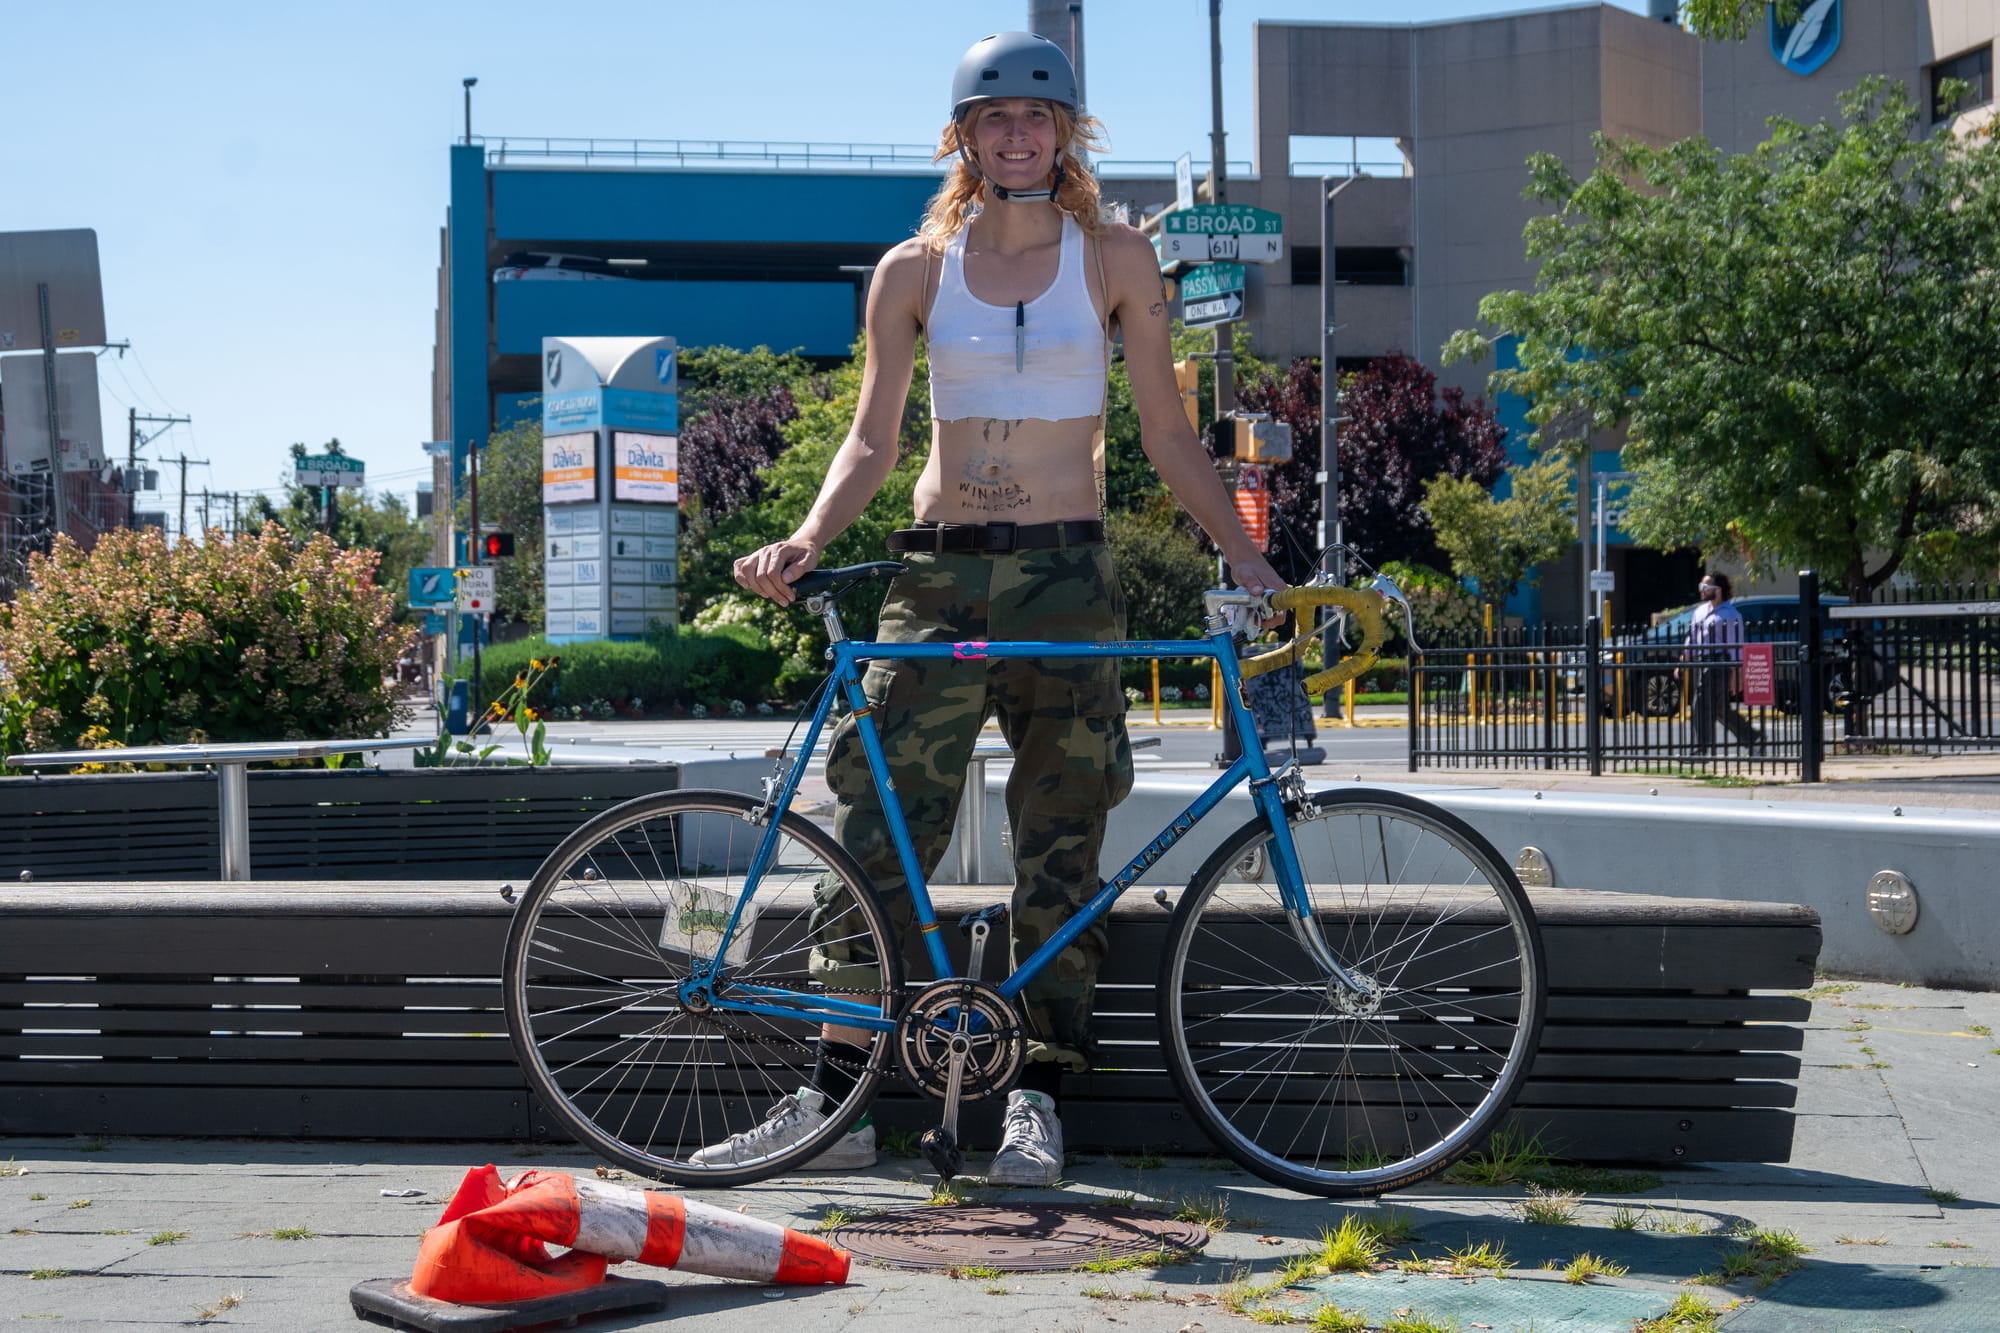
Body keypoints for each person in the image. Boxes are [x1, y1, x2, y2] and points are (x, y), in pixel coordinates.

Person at [704, 31, 1286, 1186]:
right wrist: (809, 537)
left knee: (1062, 834)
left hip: (1067, 577)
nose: (1015, 136)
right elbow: (871, 439)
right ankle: (831, 1097)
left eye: (1035, 117)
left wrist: (1247, 557)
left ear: (1065, 132)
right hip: (938, 574)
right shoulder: (912, 269)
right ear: (962, 137)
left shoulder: (1116, 258)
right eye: (993, 118)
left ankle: (1036, 1097)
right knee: (874, 830)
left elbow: (1166, 433)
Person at [1685, 571, 1762, 754]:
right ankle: (1752, 737)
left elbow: (1735, 647)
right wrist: (1685, 656)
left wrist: (1736, 674)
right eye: (1701, 586)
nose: (1702, 590)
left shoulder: (1731, 614)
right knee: (1719, 708)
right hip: (1701, 662)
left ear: (1718, 590)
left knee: (1700, 704)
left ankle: (1701, 747)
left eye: (1705, 587)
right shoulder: (1699, 611)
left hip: (1719, 663)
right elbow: (1692, 636)